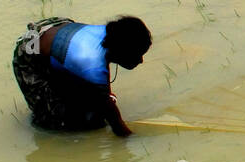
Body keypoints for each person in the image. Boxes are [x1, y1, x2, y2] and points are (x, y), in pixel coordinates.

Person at [12, 15, 151, 136]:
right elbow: (117, 126)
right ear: (123, 50)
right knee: (56, 121)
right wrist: (129, 136)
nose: (141, 60)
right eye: (138, 54)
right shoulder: (91, 62)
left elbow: (101, 75)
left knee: (90, 100)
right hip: (30, 49)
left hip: (57, 27)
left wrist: (104, 97)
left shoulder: (110, 34)